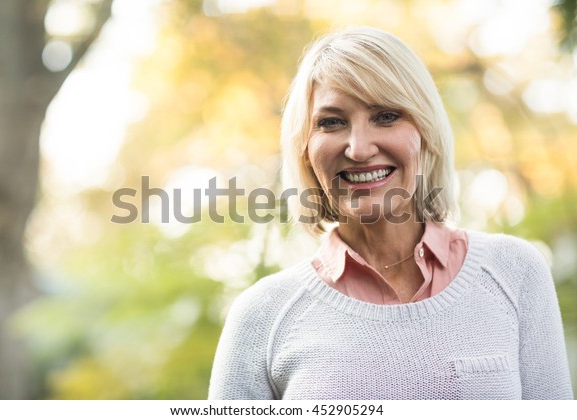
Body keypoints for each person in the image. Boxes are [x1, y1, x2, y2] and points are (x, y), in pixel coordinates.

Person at [208, 27, 573, 399]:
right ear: (305, 149)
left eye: (385, 116)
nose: (360, 148)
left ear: (424, 132)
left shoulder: (514, 273)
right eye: (332, 122)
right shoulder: (263, 315)